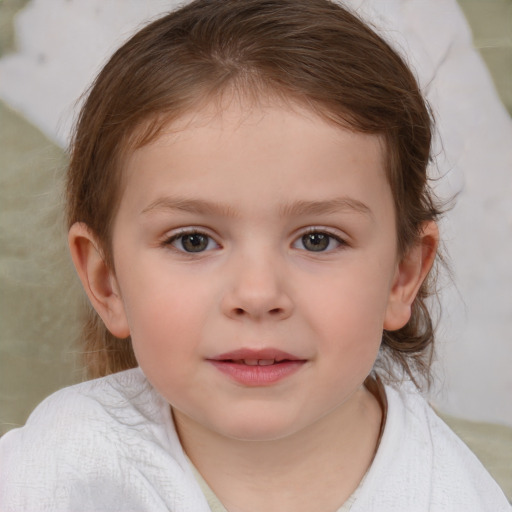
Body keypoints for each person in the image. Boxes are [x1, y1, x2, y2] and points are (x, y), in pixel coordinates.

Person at [0, 0, 509, 510]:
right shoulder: (52, 472)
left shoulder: (450, 495)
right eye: (192, 240)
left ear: (402, 275)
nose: (258, 294)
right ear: (106, 280)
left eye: (317, 239)